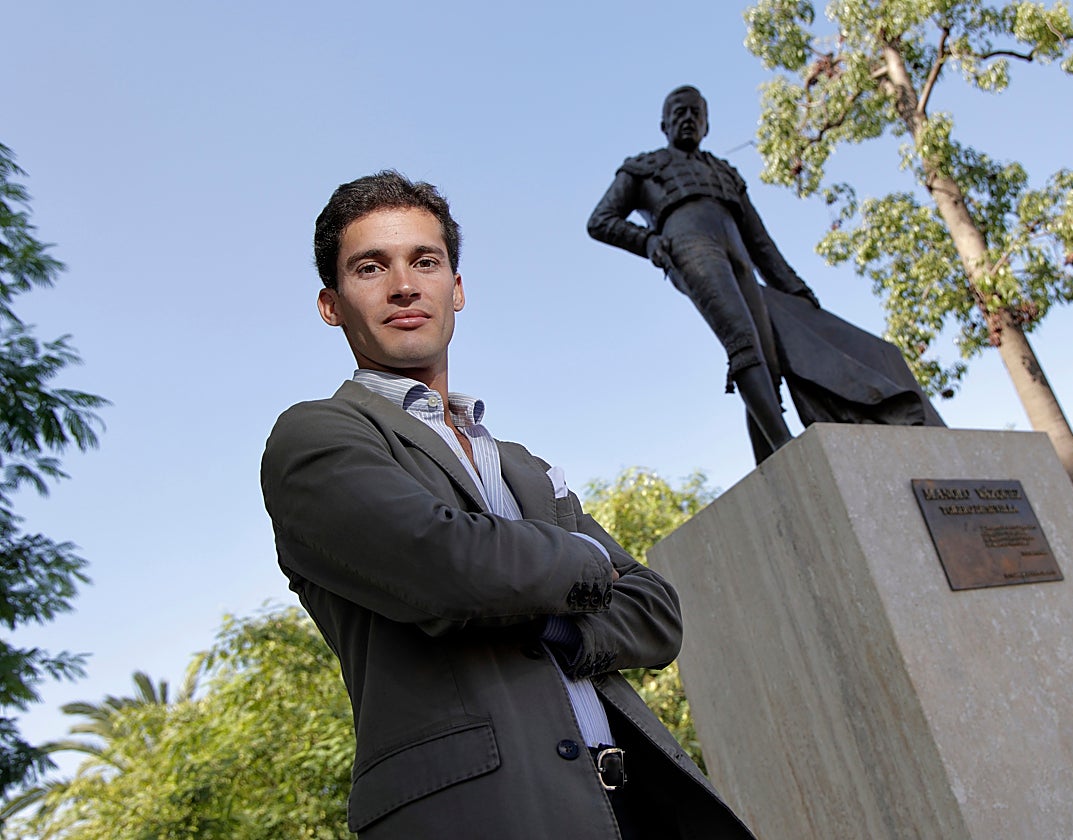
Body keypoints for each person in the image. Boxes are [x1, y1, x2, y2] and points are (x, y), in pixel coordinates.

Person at [260, 171, 755, 839]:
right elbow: (446, 566)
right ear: (331, 304)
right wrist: (585, 558)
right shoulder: (316, 435)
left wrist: (564, 628)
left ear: (456, 289)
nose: (403, 285)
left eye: (424, 261)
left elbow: (656, 611)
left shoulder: (520, 464)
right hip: (481, 813)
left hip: (636, 804)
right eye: (370, 267)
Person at [588, 86, 940, 465]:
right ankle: (784, 445)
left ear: (706, 125)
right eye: (678, 112)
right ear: (663, 124)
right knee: (741, 339)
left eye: (695, 112)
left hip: (737, 253)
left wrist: (794, 288)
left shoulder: (724, 172)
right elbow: (600, 220)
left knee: (769, 362)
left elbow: (760, 243)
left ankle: (769, 460)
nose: (687, 118)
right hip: (688, 244)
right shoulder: (642, 168)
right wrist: (647, 241)